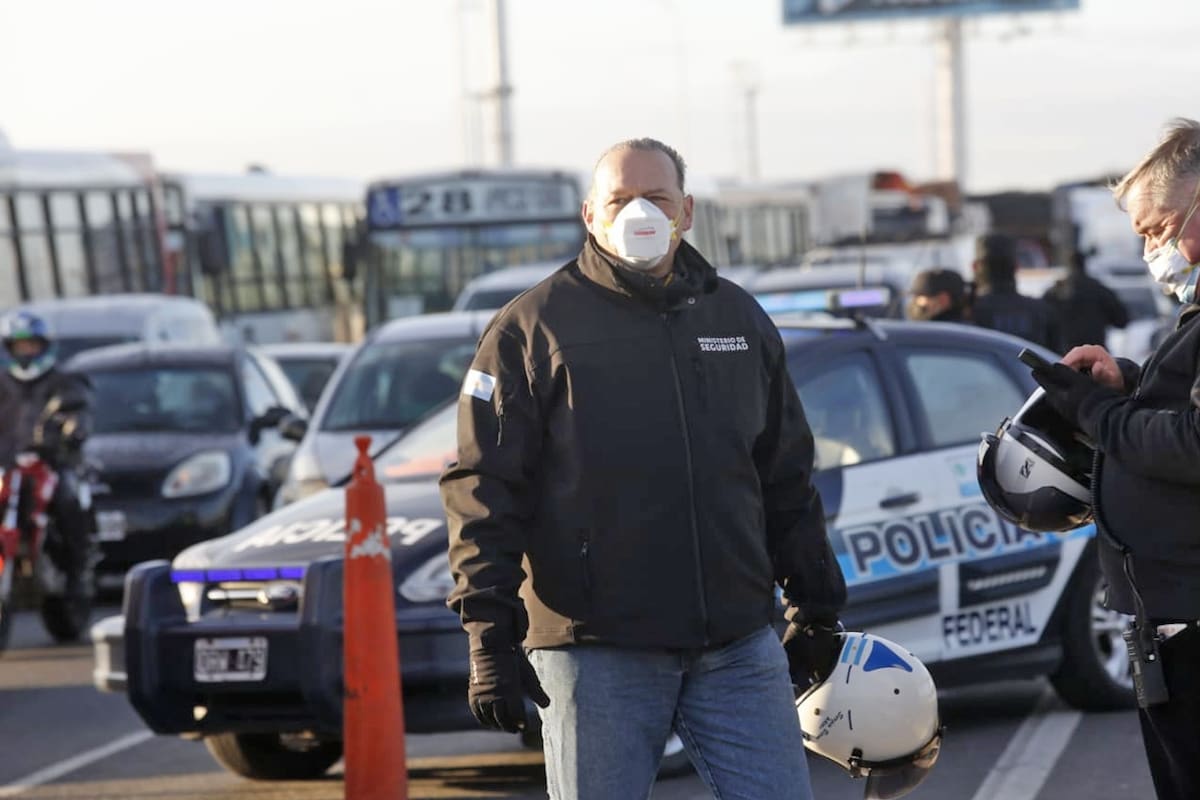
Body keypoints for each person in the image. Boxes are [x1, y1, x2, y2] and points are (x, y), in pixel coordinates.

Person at [440, 138, 847, 800]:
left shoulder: (736, 318)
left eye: (655, 198)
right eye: (620, 199)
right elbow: (484, 489)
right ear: (590, 215)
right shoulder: (531, 330)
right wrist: (489, 634)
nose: (639, 214)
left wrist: (816, 602)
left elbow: (786, 473)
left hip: (736, 645)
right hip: (597, 652)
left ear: (685, 211)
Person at [1028, 117, 1200, 800]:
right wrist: (1128, 387)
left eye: (1156, 229)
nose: (1152, 250)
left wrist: (1096, 415)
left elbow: (1193, 444)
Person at [0, 311, 95, 602]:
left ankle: (77, 572)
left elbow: (79, 410)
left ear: (44, 346)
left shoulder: (65, 380)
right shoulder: (2, 382)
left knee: (67, 499)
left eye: (31, 345)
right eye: (19, 347)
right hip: (7, 466)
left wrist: (73, 427)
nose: (26, 352)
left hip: (52, 463)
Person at [971, 232, 1063, 351]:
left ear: (975, 266)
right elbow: (1058, 362)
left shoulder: (970, 314)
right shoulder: (1043, 311)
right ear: (1017, 266)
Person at [1041, 250, 1130, 350]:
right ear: (1084, 264)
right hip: (1094, 355)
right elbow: (1122, 320)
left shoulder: (1055, 292)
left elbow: (1041, 322)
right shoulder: (1098, 290)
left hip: (1064, 355)